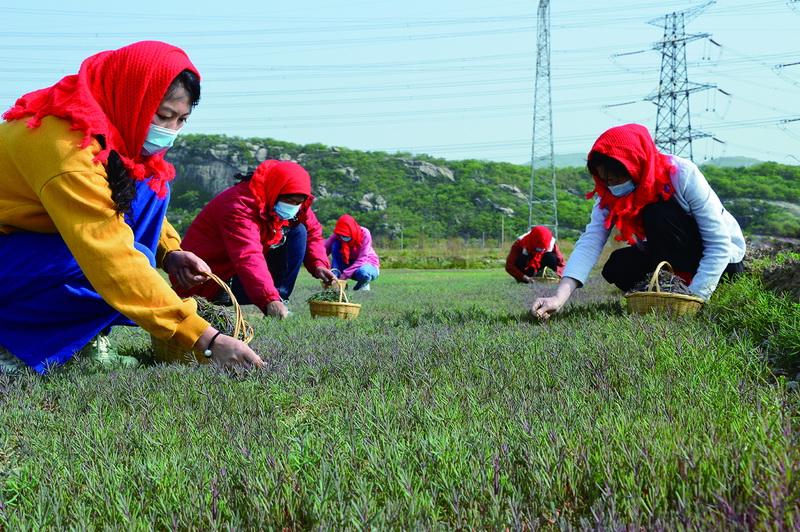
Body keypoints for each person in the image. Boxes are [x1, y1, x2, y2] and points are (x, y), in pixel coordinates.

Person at [0, 41, 264, 374]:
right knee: (115, 261)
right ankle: (12, 345)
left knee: (151, 187)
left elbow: (132, 209)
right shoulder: (67, 148)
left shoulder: (109, 135)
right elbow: (110, 257)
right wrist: (206, 339)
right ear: (131, 97)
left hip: (24, 247)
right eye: (164, 116)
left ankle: (84, 340)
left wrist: (170, 251)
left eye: (181, 120)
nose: (169, 132)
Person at [532, 123, 745, 320]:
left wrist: (695, 297)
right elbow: (591, 241)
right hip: (667, 257)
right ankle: (661, 296)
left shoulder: (682, 174)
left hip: (723, 262)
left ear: (636, 167)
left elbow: (719, 244)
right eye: (605, 180)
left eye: (617, 178)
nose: (611, 185)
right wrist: (558, 298)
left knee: (657, 212)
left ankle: (679, 294)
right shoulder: (608, 194)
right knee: (618, 265)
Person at [175, 160, 337, 319]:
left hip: (236, 271)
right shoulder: (238, 206)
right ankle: (273, 304)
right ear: (274, 191)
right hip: (208, 279)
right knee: (291, 234)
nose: (292, 206)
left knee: (298, 230)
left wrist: (318, 264)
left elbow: (313, 231)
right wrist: (268, 299)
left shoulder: (292, 203)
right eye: (288, 201)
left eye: (298, 203)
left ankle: (281, 300)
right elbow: (248, 255)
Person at [324, 214, 381, 291]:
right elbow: (324, 249)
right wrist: (320, 266)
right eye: (342, 235)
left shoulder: (364, 233)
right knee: (335, 244)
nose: (344, 237)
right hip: (348, 264)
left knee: (363, 273)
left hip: (366, 265)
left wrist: (343, 276)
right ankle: (336, 281)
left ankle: (363, 284)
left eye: (346, 234)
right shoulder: (338, 234)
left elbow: (362, 260)